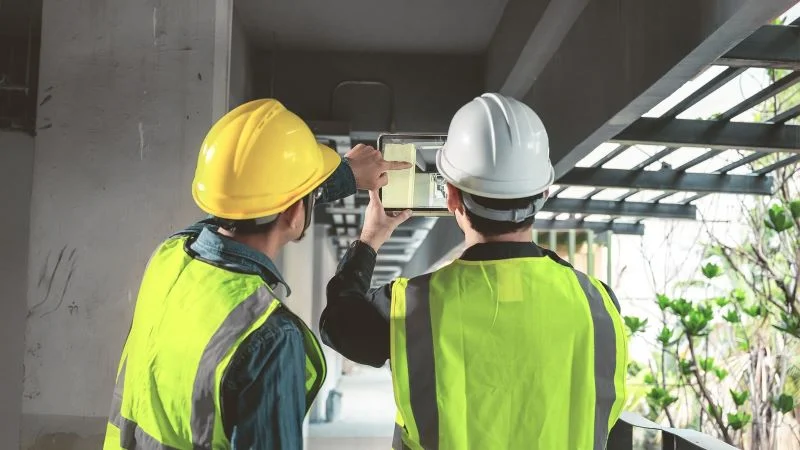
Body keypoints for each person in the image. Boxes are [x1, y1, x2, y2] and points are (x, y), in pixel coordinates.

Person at [321, 93, 628, 450]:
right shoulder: (598, 304)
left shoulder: (412, 306)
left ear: (451, 197)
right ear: (543, 193)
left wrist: (371, 238)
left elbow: (337, 325)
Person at [103, 98, 411, 450]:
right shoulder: (269, 334)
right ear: (295, 213)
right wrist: (360, 219)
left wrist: (343, 184)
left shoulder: (170, 255)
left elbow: (231, 209)